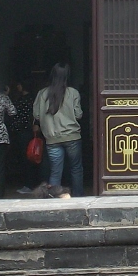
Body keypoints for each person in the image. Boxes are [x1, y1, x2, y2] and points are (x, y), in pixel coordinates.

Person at [33, 62, 84, 198]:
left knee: (55, 171)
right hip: (72, 136)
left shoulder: (42, 93)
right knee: (76, 169)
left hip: (52, 138)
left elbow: (36, 115)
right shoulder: (73, 93)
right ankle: (78, 196)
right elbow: (78, 114)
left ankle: (53, 198)